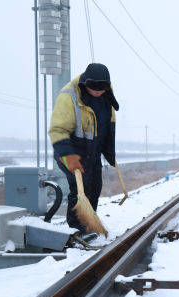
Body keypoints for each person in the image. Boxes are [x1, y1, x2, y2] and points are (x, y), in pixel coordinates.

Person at [49, 63, 119, 232]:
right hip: (70, 152)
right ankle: (77, 229)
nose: (98, 92)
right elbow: (57, 130)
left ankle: (89, 223)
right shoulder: (69, 96)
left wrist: (109, 152)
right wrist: (69, 157)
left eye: (102, 88)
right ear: (85, 84)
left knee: (95, 187)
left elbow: (107, 125)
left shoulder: (105, 95)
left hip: (91, 152)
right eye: (95, 88)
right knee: (80, 189)